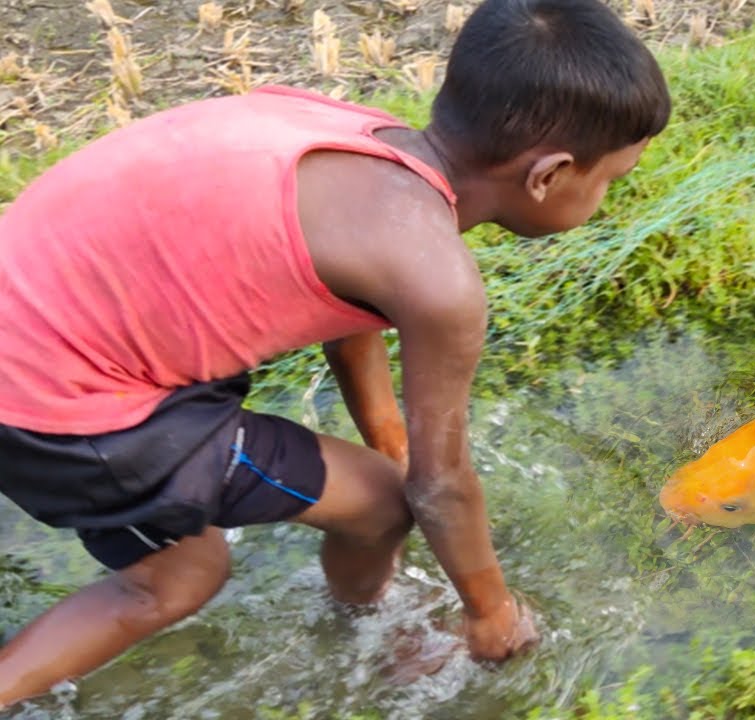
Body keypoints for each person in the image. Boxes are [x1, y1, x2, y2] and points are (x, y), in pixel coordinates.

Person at [0, 0, 669, 706]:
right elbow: (441, 488)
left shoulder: (351, 136)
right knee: (259, 551)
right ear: (550, 174)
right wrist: (490, 610)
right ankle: (370, 625)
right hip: (60, 402)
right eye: (610, 182)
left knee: (313, 517)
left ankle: (367, 613)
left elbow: (347, 310)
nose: (606, 198)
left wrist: (386, 434)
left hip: (33, 318)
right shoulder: (437, 280)